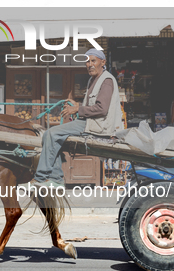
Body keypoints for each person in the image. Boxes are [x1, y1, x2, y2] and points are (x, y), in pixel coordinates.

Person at [25, 48, 123, 188]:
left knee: (51, 133)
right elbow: (93, 106)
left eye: (93, 61)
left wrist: (77, 109)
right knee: (54, 135)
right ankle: (56, 178)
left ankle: (41, 177)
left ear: (103, 62)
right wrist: (79, 105)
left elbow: (102, 109)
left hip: (98, 126)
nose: (89, 64)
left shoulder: (106, 80)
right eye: (87, 62)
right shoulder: (93, 80)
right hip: (89, 122)